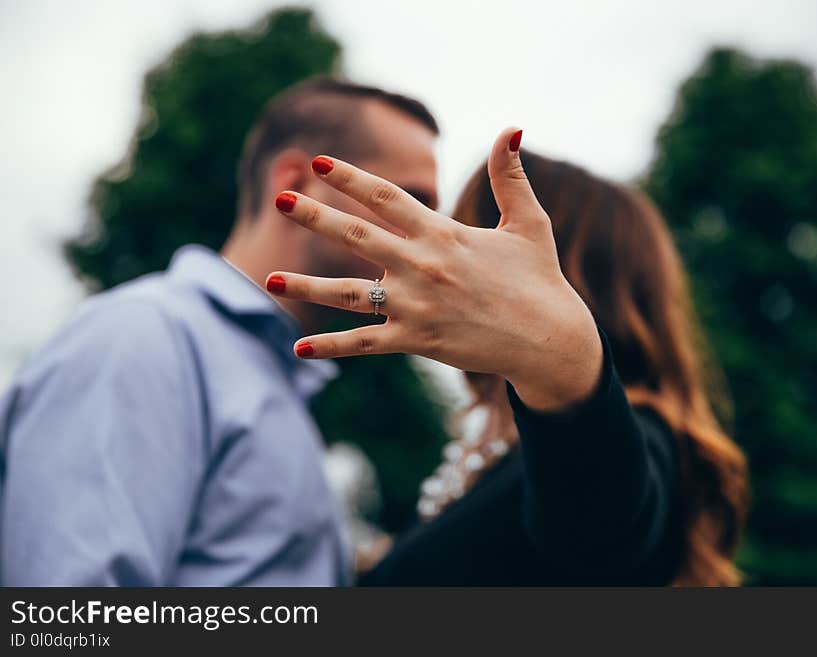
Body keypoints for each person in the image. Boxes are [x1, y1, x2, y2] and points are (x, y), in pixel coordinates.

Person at [0, 78, 441, 586]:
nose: (427, 230)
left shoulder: (268, 369)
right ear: (296, 183)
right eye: (406, 199)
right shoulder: (143, 337)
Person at [266, 138, 750, 585]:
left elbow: (599, 535)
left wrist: (563, 360)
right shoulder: (498, 457)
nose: (438, 261)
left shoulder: (637, 440)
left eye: (466, 235)